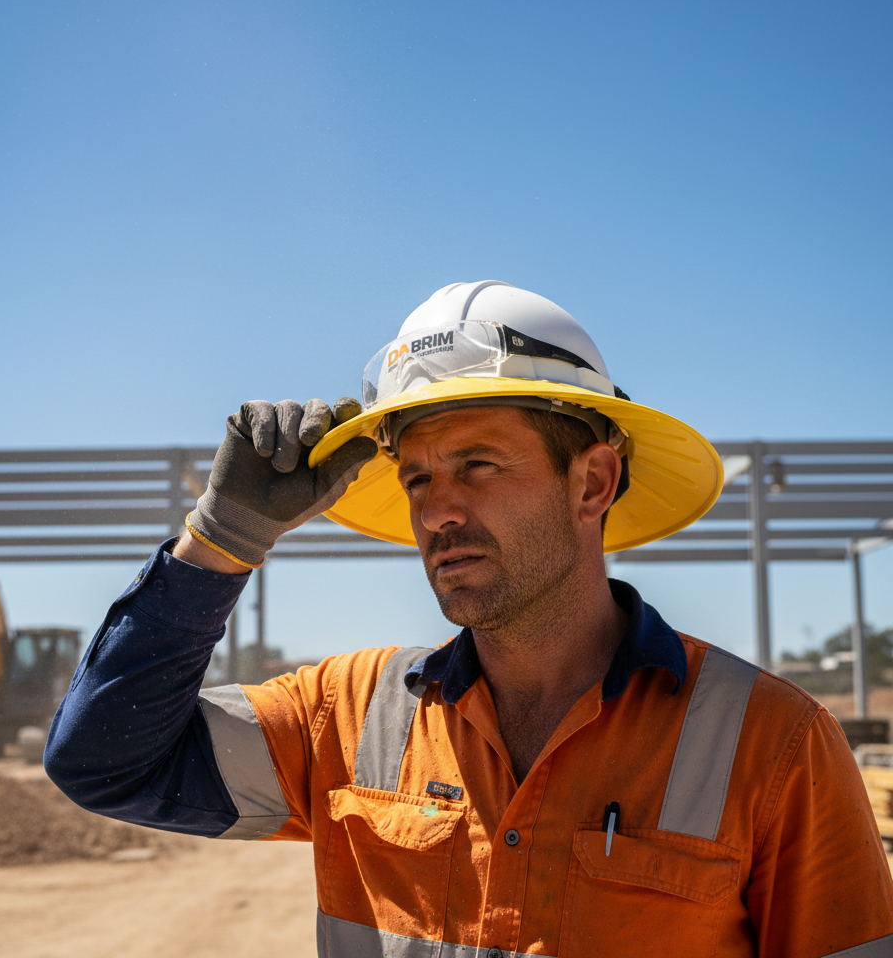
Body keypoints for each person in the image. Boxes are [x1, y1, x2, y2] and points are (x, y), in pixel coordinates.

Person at [45, 282, 893, 957]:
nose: (437, 512)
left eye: (477, 465)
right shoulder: (349, 715)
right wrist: (223, 539)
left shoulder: (774, 747)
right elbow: (103, 762)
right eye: (416, 480)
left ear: (592, 483)